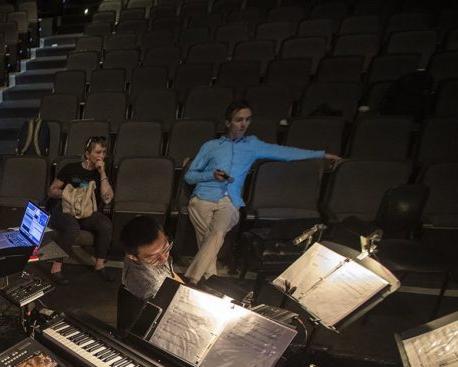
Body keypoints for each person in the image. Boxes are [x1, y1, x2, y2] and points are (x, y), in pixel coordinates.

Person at [183, 101, 342, 284]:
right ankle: (211, 279)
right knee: (210, 240)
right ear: (228, 123)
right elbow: (190, 176)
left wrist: (321, 155)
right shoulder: (211, 146)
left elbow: (286, 152)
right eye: (238, 120)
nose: (243, 124)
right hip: (203, 196)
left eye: (247, 120)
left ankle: (193, 279)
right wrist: (212, 175)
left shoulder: (253, 145)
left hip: (230, 200)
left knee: (217, 233)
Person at [46, 136, 116, 285]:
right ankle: (56, 268)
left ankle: (100, 265)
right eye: (97, 152)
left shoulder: (100, 173)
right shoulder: (70, 168)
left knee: (105, 224)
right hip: (64, 211)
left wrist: (102, 173)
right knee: (72, 227)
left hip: (85, 212)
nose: (101, 156)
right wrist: (70, 193)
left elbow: (108, 198)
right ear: (87, 154)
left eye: (103, 152)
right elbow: (52, 191)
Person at [120, 215, 183, 301]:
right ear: (133, 257)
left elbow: (171, 274)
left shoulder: (148, 254)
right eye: (153, 257)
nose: (164, 258)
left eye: (165, 248)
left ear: (164, 235)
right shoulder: (148, 286)